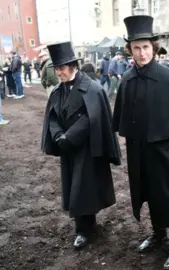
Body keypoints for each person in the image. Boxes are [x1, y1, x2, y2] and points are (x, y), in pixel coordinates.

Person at [112, 15, 169, 269]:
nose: (142, 53)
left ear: (153, 47)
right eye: (136, 48)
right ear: (130, 50)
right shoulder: (127, 80)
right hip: (139, 151)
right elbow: (121, 118)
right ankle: (158, 234)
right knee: (148, 192)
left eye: (145, 47)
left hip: (167, 151)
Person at [40, 41, 122, 249]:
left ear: (73, 66)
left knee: (84, 188)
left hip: (87, 148)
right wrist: (58, 135)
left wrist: (70, 136)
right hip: (68, 148)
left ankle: (83, 230)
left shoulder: (92, 89)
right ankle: (85, 226)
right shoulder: (58, 91)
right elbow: (52, 116)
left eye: (62, 68)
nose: (59, 72)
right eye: (56, 68)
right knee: (74, 187)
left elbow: (92, 118)